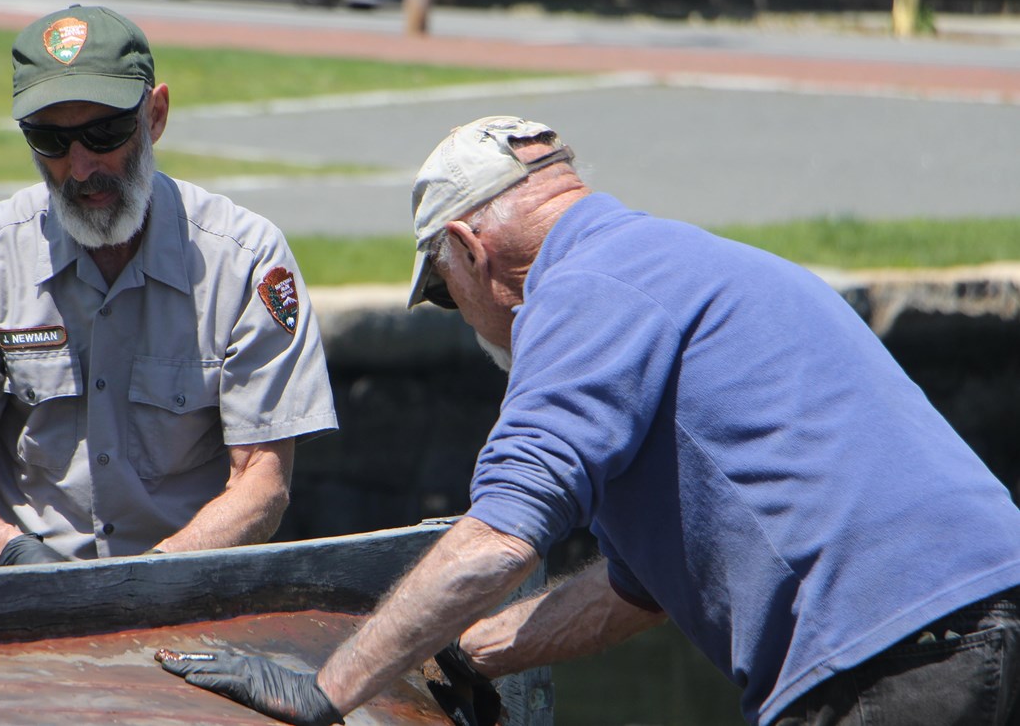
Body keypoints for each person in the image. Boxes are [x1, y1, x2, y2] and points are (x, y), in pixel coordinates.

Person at [158, 116, 1020, 725]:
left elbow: (500, 538)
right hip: (982, 614)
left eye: (447, 295)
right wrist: (462, 653)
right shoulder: (669, 259)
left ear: (468, 247)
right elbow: (632, 589)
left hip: (894, 655)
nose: (463, 318)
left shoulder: (579, 292)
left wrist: (328, 684)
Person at [0, 5, 337, 568]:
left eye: (105, 133)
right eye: (49, 139)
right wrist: (17, 559)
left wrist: (150, 581)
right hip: (25, 595)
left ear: (157, 115)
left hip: (185, 591)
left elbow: (262, 480)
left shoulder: (248, 262)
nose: (79, 167)